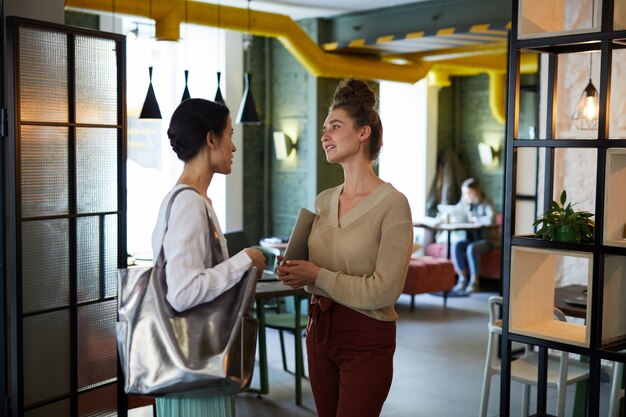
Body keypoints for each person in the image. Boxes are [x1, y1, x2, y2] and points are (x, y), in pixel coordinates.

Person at [276, 79, 413, 417]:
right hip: (319, 330)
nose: (325, 135)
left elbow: (385, 291)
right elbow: (311, 277)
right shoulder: (323, 201)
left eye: (335, 127)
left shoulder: (394, 205)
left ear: (363, 132)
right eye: (324, 129)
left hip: (367, 338)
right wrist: (297, 272)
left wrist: (317, 275)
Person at [151, 98, 265, 417]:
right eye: (229, 134)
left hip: (195, 367)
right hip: (195, 371)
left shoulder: (192, 199)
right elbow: (184, 291)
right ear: (211, 139)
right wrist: (245, 260)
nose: (234, 146)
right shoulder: (189, 203)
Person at [450, 177, 499, 293]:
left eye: (469, 193)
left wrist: (476, 219)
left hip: (488, 240)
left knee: (472, 248)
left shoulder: (486, 201)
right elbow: (455, 212)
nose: (467, 196)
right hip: (471, 238)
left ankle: (474, 282)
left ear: (476, 191)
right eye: (465, 193)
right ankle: (462, 279)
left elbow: (491, 219)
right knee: (457, 245)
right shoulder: (466, 203)